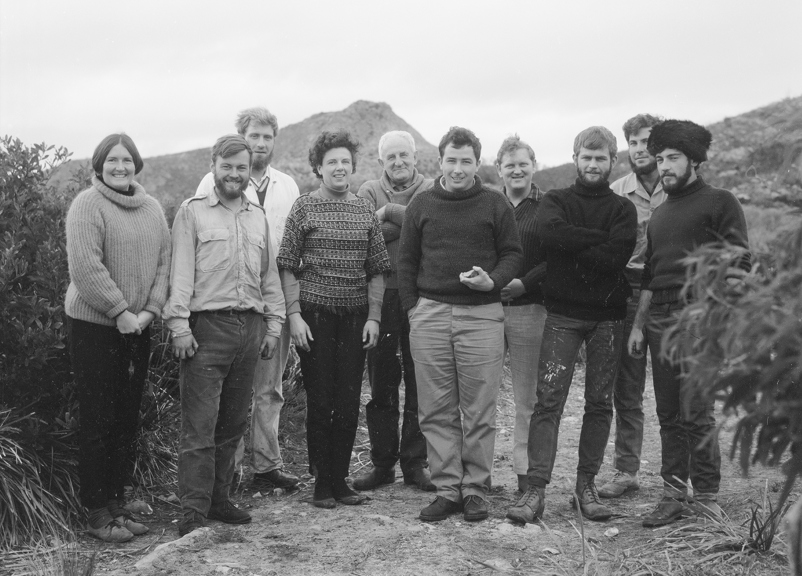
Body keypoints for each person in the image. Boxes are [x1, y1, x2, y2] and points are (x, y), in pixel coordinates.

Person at [507, 126, 637, 524]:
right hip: (561, 315)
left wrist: (573, 243)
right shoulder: (557, 201)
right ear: (576, 158)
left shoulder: (623, 209)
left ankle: (585, 488)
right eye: (587, 156)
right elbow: (550, 235)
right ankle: (535, 490)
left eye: (601, 158)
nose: (593, 164)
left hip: (608, 319)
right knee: (548, 403)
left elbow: (616, 257)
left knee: (599, 404)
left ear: (612, 161)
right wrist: (596, 240)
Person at [398, 126, 523, 523]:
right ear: (440, 161)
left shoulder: (494, 203)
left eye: (465, 161)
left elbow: (512, 254)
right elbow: (406, 262)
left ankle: (475, 490)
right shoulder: (421, 204)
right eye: (451, 160)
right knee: (435, 409)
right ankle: (448, 488)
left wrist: (494, 281)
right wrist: (413, 310)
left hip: (482, 315)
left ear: (477, 163)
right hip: (430, 313)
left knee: (479, 408)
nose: (457, 168)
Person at [628, 119, 750, 527]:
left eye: (673, 157)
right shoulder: (659, 214)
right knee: (668, 413)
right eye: (660, 158)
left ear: (694, 160)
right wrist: (637, 327)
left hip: (701, 314)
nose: (663, 165)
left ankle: (708, 495)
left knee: (696, 411)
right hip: (660, 317)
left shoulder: (720, 200)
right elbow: (650, 274)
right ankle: (674, 494)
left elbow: (739, 262)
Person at [164, 134, 285, 536]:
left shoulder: (257, 217)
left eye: (242, 167)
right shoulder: (192, 212)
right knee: (199, 425)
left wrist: (273, 325)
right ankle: (193, 511)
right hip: (206, 330)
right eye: (227, 166)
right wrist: (179, 325)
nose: (235, 174)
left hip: (249, 329)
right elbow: (180, 274)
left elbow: (269, 278)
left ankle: (220, 500)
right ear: (213, 165)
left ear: (250, 171)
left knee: (232, 423)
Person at [66, 133, 171, 542]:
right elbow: (85, 267)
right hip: (95, 327)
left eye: (127, 160)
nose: (120, 167)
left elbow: (164, 264)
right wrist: (120, 312)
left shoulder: (151, 208)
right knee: (97, 419)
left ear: (136, 164)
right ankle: (96, 511)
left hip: (138, 327)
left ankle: (115, 500)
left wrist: (147, 312)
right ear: (99, 164)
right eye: (112, 160)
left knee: (125, 418)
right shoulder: (87, 205)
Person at [277, 130, 391, 509]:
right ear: (318, 168)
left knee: (347, 400)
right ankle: (321, 481)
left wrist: (374, 316)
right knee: (321, 399)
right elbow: (287, 265)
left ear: (353, 166)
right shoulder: (304, 208)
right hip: (315, 317)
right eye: (331, 162)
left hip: (355, 318)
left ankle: (341, 480)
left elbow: (377, 268)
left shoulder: (363, 210)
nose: (339, 167)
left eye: (345, 161)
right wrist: (294, 315)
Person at [196, 107, 300, 491]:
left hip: (272, 298)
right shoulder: (214, 180)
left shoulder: (288, 186)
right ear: (241, 136)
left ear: (275, 141)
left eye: (267, 137)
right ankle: (231, 471)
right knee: (231, 391)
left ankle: (268, 465)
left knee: (270, 387)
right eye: (254, 136)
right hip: (228, 301)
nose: (260, 144)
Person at [352, 130, 434, 493]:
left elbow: (429, 232)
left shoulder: (432, 188)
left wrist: (389, 214)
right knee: (382, 382)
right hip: (381, 296)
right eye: (391, 158)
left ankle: (415, 463)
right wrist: (406, 222)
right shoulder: (368, 190)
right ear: (381, 162)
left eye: (404, 155)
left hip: (421, 296)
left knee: (420, 383)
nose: (398, 163)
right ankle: (382, 464)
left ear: (415, 157)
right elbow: (365, 235)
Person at [598, 114, 667, 499]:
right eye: (634, 142)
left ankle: (682, 475)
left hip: (672, 294)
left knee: (678, 389)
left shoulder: (678, 189)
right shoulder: (616, 191)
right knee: (628, 387)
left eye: (647, 141)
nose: (640, 149)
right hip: (627, 291)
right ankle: (626, 470)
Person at [494, 135, 548, 493]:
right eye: (509, 164)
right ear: (499, 169)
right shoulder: (487, 202)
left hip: (530, 308)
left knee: (528, 398)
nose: (516, 170)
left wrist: (524, 285)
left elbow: (555, 259)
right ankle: (476, 476)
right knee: (480, 398)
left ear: (534, 166)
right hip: (487, 309)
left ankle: (526, 476)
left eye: (522, 163)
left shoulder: (549, 205)